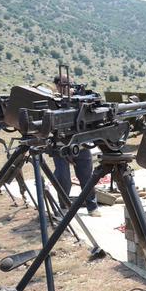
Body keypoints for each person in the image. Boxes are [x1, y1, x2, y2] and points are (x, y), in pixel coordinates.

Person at [52, 74, 100, 217]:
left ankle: (92, 206)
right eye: (63, 84)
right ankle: (64, 206)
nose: (66, 87)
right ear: (57, 85)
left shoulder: (81, 99)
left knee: (87, 177)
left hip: (81, 144)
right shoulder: (52, 101)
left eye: (69, 84)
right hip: (61, 146)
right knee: (63, 177)